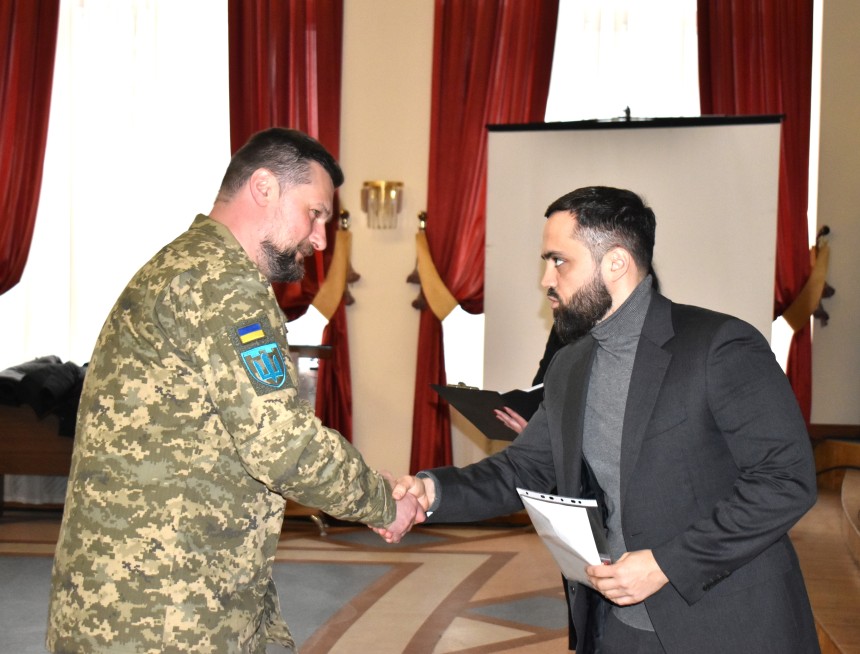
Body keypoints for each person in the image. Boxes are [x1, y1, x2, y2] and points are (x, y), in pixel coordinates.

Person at [386, 186, 820, 654]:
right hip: (616, 627)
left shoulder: (718, 345)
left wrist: (666, 564)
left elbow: (785, 480)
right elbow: (525, 468)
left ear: (615, 263)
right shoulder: (570, 364)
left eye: (559, 261)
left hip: (728, 626)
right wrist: (432, 492)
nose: (546, 280)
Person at [47, 127, 424, 654]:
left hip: (141, 591)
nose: (319, 239)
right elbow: (284, 446)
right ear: (264, 187)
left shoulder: (185, 264)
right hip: (164, 609)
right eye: (314, 213)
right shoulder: (223, 282)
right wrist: (384, 501)